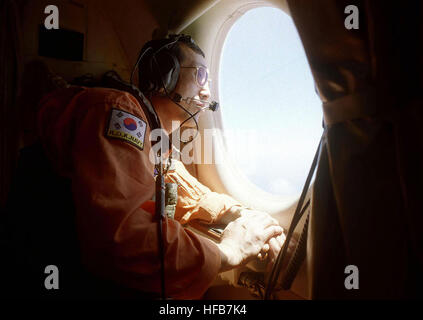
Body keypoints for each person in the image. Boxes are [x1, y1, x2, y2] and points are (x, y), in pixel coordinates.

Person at [35, 34, 285, 299]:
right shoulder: (118, 112)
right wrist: (228, 252)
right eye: (200, 76)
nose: (207, 92)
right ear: (165, 76)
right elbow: (121, 238)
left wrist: (244, 216)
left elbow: (191, 196)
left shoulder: (156, 145)